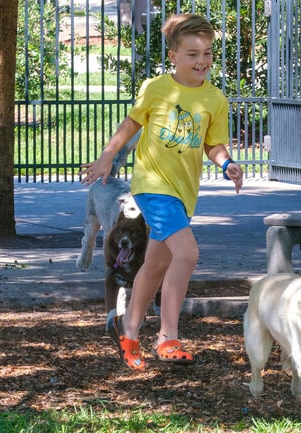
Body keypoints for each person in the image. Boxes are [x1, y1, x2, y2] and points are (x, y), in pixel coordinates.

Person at [79, 13, 243, 370]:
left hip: (184, 194)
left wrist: (226, 163)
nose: (202, 61)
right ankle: (168, 337)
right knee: (187, 253)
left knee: (155, 265)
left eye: (208, 53)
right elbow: (130, 125)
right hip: (152, 188)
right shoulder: (156, 88)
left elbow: (213, 145)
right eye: (192, 53)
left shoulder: (215, 99)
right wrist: (107, 155)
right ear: (173, 56)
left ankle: (130, 333)